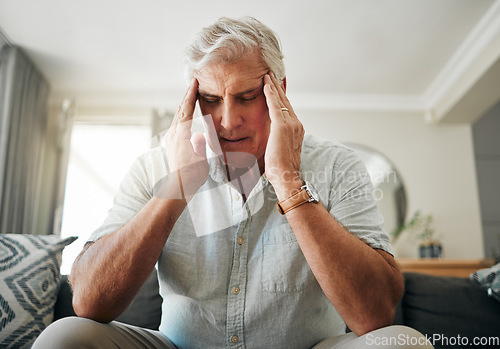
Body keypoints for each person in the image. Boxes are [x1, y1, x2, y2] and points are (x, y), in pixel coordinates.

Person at [34, 17, 433, 349]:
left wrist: (289, 183)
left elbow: (376, 314)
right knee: (64, 337)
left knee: (404, 343)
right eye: (210, 98)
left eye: (245, 96)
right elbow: (87, 302)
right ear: (190, 100)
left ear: (280, 93)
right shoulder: (153, 166)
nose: (227, 121)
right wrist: (178, 184)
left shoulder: (339, 165)